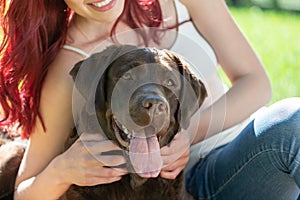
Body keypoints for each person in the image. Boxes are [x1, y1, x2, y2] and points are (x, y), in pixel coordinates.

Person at [0, 0, 299, 199]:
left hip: (249, 153)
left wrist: (187, 133)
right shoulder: (70, 63)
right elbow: (24, 191)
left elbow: (255, 82)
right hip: (184, 185)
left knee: (293, 121)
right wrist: (63, 169)